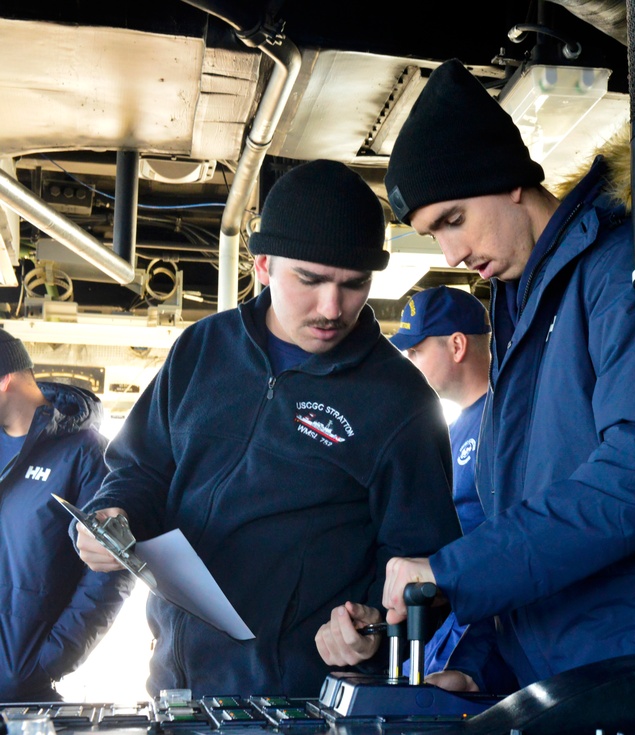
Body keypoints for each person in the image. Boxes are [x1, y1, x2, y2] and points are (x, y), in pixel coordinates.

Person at [377, 58, 635, 692]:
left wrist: (456, 572)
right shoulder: (525, 307)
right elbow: (529, 517)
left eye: (453, 219)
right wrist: (479, 671)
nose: (451, 254)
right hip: (573, 677)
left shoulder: (628, 276)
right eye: (432, 234)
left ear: (506, 182)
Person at [75, 159, 462, 697]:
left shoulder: (400, 402)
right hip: (175, 684)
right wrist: (110, 515)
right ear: (262, 265)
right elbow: (141, 466)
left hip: (297, 700)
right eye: (310, 280)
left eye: (354, 285)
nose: (333, 308)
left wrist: (372, 627)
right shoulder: (201, 349)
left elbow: (425, 562)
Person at [0, 328, 132, 702]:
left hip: (20, 692)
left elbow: (112, 572)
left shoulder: (86, 456)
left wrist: (48, 660)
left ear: (5, 379)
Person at [388, 285, 499, 680]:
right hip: (450, 617)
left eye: (416, 351)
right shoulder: (451, 432)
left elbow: (503, 547)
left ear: (456, 346)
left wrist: (471, 665)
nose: (408, 360)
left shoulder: (506, 423)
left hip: (488, 632)